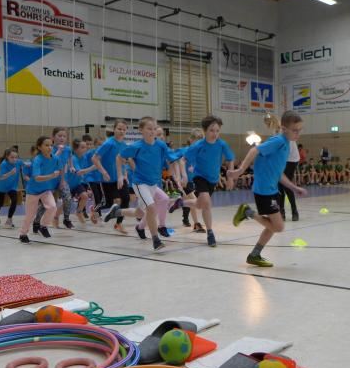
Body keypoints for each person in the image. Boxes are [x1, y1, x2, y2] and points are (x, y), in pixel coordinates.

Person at [229, 111, 308, 267]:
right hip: (264, 190)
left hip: (272, 189)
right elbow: (254, 150)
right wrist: (240, 170)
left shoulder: (286, 145)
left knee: (272, 225)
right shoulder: (278, 141)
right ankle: (247, 212)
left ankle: (254, 255)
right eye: (295, 130)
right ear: (284, 128)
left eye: (300, 130)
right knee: (278, 226)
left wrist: (293, 187)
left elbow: (278, 174)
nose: (298, 133)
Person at [103, 117, 180, 251]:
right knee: (151, 208)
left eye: (154, 129)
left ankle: (117, 212)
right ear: (141, 130)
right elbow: (119, 157)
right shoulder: (136, 146)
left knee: (140, 212)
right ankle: (156, 240)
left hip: (153, 184)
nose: (152, 131)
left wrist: (177, 176)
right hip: (140, 183)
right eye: (149, 129)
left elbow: (173, 160)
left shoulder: (161, 145)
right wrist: (120, 175)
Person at [169, 115, 235, 247]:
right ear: (205, 131)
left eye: (217, 131)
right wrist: (184, 176)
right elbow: (183, 160)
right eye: (211, 130)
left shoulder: (222, 144)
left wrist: (230, 178)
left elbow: (230, 159)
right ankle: (210, 233)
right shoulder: (198, 145)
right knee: (206, 204)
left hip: (213, 179)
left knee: (200, 204)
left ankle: (181, 203)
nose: (215, 134)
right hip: (200, 177)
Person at [20, 136, 62, 243]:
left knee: (52, 207)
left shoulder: (55, 159)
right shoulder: (37, 160)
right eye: (46, 145)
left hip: (46, 190)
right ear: (39, 147)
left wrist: (62, 181)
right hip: (33, 191)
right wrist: (52, 175)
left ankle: (43, 226)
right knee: (30, 215)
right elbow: (37, 178)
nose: (50, 147)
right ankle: (23, 234)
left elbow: (61, 168)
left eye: (51, 145)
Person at [92, 119, 130, 234]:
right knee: (109, 203)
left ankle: (118, 224)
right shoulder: (108, 143)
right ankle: (95, 209)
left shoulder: (124, 145)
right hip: (107, 180)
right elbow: (95, 158)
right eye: (119, 129)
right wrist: (104, 172)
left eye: (124, 129)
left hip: (120, 178)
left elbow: (123, 162)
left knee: (126, 199)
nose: (122, 131)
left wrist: (125, 175)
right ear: (114, 129)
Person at [34, 127, 74, 231]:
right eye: (59, 136)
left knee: (68, 198)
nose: (62, 138)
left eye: (64, 136)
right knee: (46, 204)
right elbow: (50, 162)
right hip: (49, 179)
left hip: (61, 178)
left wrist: (71, 166)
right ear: (53, 137)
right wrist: (59, 151)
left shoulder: (68, 149)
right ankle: (36, 222)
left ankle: (66, 219)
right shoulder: (49, 148)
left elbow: (68, 159)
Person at [273, 112, 300, 221]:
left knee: (287, 186)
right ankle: (281, 212)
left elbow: (286, 147)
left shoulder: (288, 130)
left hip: (291, 160)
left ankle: (294, 212)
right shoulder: (277, 132)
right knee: (279, 187)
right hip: (281, 160)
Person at [69, 139, 95, 225]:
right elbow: (79, 172)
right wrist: (92, 168)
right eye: (83, 147)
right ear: (76, 149)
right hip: (69, 184)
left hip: (77, 183)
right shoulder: (73, 158)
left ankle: (79, 212)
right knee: (66, 204)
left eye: (86, 147)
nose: (86, 149)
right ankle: (56, 217)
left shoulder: (84, 157)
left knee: (85, 196)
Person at [0, 147, 22, 228]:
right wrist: (10, 173)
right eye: (12, 157)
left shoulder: (18, 162)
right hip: (2, 186)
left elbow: (27, 164)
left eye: (16, 157)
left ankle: (9, 220)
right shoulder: (4, 164)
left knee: (14, 200)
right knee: (1, 203)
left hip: (12, 186)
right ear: (7, 157)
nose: (14, 159)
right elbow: (0, 177)